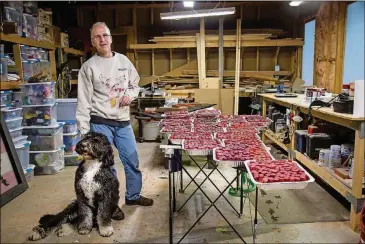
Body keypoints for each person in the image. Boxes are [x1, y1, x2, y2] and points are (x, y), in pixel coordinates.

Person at [76, 22, 153, 210]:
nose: (102, 39)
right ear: (93, 42)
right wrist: (85, 133)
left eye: (105, 35)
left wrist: (130, 95)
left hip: (123, 121)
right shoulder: (88, 67)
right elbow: (83, 101)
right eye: (97, 37)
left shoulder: (123, 62)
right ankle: (111, 205)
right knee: (106, 166)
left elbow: (135, 84)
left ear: (111, 38)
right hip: (100, 122)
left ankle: (133, 196)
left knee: (132, 160)